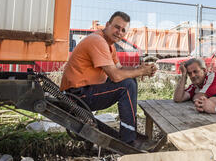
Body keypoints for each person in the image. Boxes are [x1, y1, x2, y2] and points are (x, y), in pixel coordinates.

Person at [60, 11, 157, 150]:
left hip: (85, 90)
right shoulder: (97, 41)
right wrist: (141, 71)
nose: (119, 32)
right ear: (107, 25)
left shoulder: (108, 44)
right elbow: (116, 76)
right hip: (77, 95)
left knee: (130, 81)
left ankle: (130, 133)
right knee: (126, 85)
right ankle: (129, 140)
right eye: (117, 27)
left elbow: (120, 69)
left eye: (123, 30)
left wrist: (138, 68)